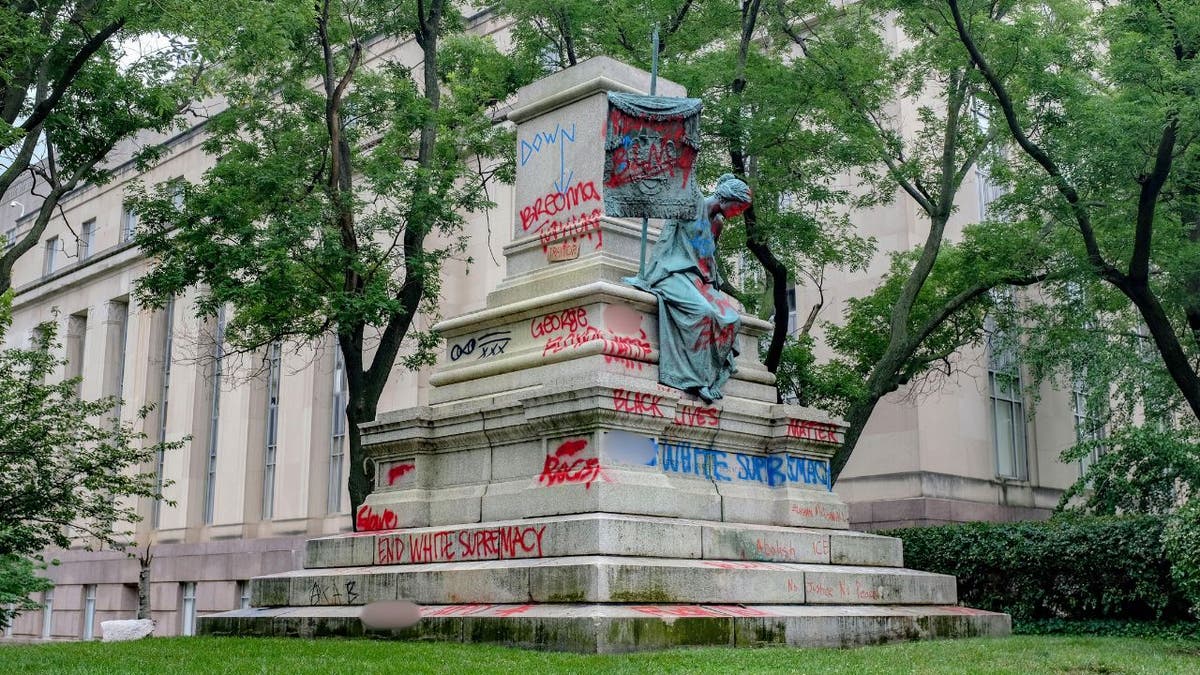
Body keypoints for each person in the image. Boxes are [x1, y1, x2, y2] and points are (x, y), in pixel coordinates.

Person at [627, 173, 751, 402]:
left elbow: (709, 259)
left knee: (732, 318)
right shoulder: (689, 206)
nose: (739, 212)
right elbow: (665, 240)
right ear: (726, 198)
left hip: (698, 279)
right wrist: (649, 276)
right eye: (739, 206)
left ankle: (715, 374)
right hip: (672, 273)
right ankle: (696, 379)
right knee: (703, 312)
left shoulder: (718, 223)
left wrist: (715, 289)